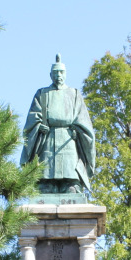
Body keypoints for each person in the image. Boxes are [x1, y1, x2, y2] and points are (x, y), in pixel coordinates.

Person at [21, 55, 96, 194]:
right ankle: (47, 184)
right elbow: (33, 118)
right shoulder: (42, 93)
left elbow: (83, 121)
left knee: (71, 187)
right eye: (55, 72)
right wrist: (38, 126)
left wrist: (78, 131)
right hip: (48, 138)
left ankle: (72, 184)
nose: (58, 75)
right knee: (46, 185)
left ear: (66, 74)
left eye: (61, 72)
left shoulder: (74, 94)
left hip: (69, 139)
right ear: (50, 75)